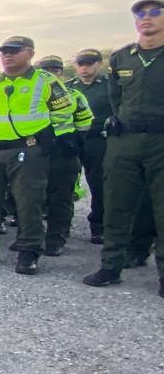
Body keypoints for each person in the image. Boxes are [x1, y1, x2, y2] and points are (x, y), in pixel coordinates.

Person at [0, 36, 76, 275]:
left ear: (30, 53)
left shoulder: (45, 81)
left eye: (14, 51)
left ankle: (28, 251)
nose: (7, 55)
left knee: (28, 202)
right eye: (3, 52)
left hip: (28, 149)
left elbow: (64, 111)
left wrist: (60, 137)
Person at [84, 0, 164, 296]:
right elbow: (116, 97)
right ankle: (111, 265)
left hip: (160, 139)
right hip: (125, 139)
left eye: (155, 12)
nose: (147, 18)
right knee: (116, 205)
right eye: (141, 13)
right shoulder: (122, 57)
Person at [35, 55, 93, 256]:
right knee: (33, 198)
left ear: (61, 72)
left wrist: (73, 140)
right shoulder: (31, 96)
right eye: (46, 70)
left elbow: (84, 122)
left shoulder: (74, 95)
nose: (51, 74)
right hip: (36, 151)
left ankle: (56, 239)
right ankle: (32, 238)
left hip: (62, 152)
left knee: (61, 198)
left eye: (55, 70)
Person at [67, 48, 112, 243]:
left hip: (97, 139)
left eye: (89, 63)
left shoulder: (110, 86)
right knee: (67, 183)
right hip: (73, 140)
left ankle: (98, 226)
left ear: (99, 64)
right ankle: (63, 225)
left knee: (98, 184)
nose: (84, 68)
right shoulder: (67, 88)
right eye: (81, 64)